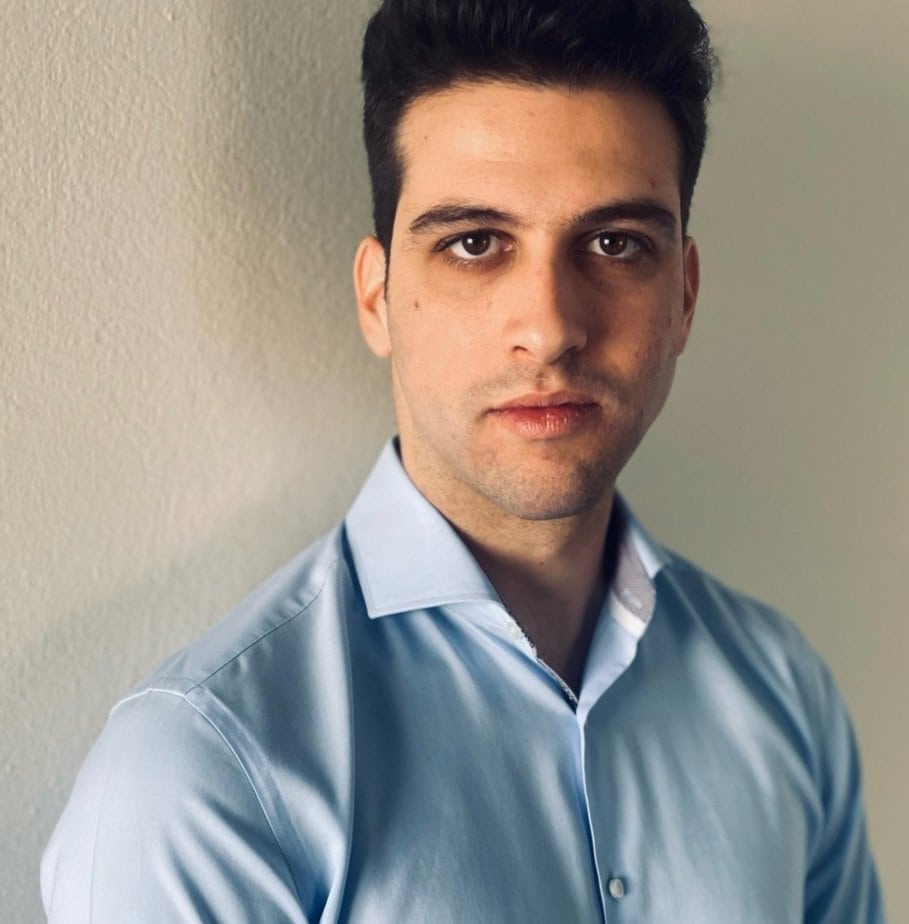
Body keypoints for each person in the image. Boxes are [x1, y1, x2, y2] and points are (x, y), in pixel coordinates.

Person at [41, 0, 883, 921]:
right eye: (474, 244)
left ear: (682, 296)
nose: (548, 328)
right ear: (377, 297)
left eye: (614, 244)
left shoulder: (782, 691)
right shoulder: (203, 773)